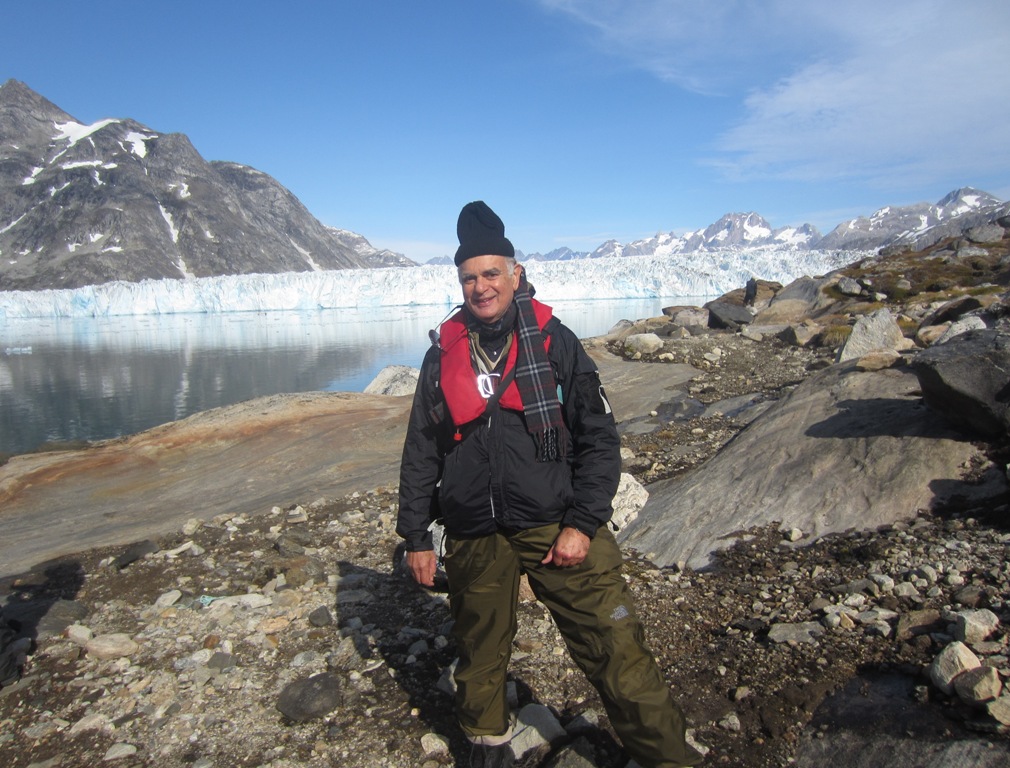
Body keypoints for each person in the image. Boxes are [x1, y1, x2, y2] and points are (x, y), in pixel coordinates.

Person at [397, 201, 703, 768]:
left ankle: (666, 758)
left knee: (615, 648)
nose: (481, 287)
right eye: (469, 277)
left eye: (492, 273)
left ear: (515, 273)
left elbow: (598, 437)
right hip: (474, 531)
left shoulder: (554, 340)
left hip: (554, 522)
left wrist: (583, 523)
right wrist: (415, 535)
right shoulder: (443, 353)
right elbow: (421, 449)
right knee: (479, 652)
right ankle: (488, 748)